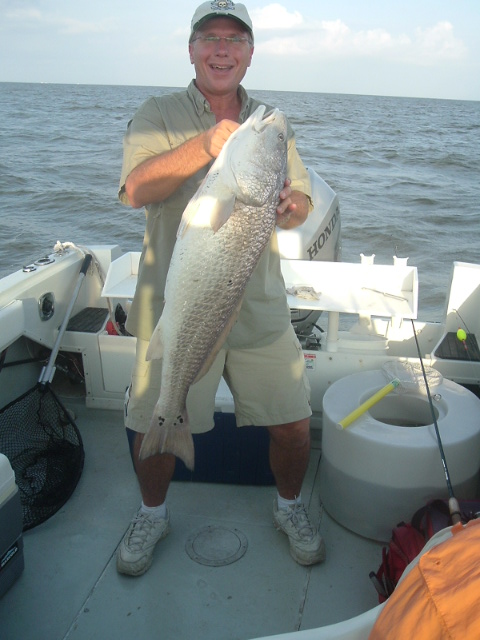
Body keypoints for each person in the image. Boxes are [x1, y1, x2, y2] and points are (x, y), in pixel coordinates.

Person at [116, 1, 325, 576]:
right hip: (179, 308)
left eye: (236, 39)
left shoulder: (268, 124)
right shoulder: (158, 113)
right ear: (191, 50)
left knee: (293, 423)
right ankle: (151, 514)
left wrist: (290, 206)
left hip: (259, 309)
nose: (222, 49)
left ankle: (289, 507)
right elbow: (135, 189)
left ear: (250, 53)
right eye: (210, 37)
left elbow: (300, 200)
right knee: (154, 417)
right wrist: (206, 145)